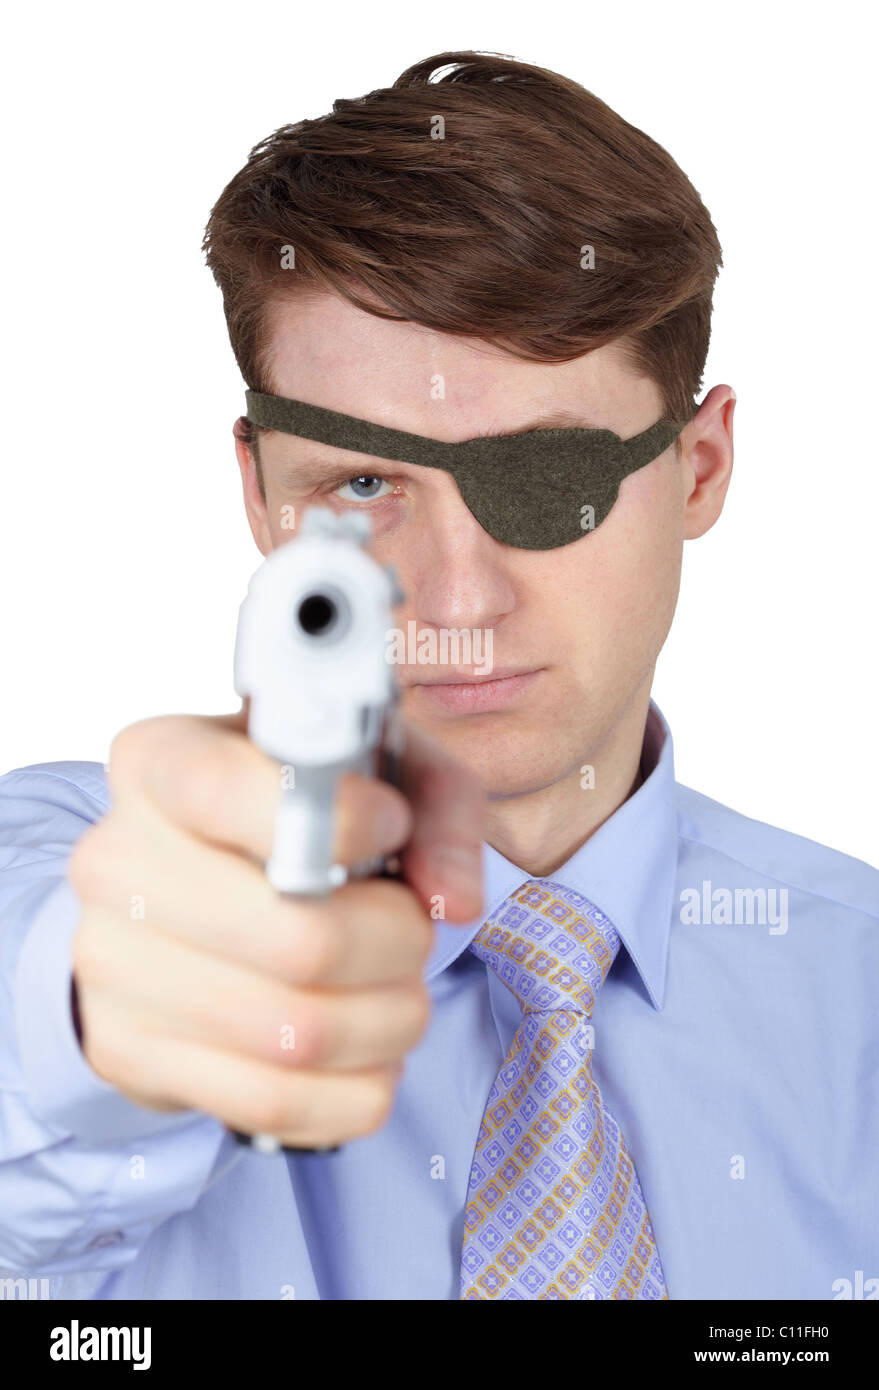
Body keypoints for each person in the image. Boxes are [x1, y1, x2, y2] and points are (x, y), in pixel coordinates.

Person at [0, 50, 875, 1302]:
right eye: (363, 486)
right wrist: (103, 1012)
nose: (459, 601)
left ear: (700, 468)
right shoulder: (77, 865)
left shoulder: (859, 990)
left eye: (553, 482)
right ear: (259, 496)